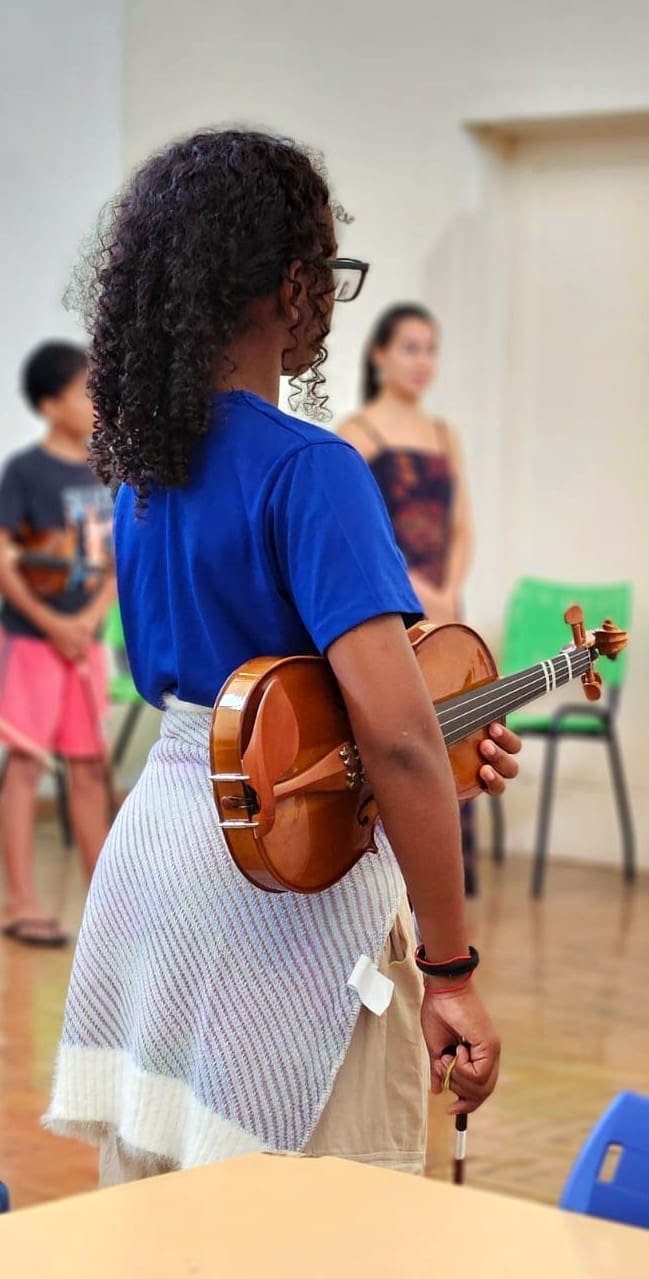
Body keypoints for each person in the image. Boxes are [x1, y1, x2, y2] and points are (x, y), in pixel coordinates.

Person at [46, 129, 521, 1181]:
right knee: (318, 1214)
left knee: (165, 1209)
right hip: (280, 890)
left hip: (160, 856)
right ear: (293, 283)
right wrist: (449, 969)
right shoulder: (313, 468)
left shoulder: (143, 468)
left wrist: (434, 753)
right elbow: (397, 742)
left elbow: (313, 718)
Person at [338, 306, 478, 893]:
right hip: (390, 613)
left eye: (430, 348)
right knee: (400, 739)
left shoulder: (445, 435)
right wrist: (420, 591)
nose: (423, 361)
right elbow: (359, 538)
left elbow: (462, 529)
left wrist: (448, 592)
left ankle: (446, 885)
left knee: (457, 734)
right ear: (380, 355)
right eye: (410, 348)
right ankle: (389, 883)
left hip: (445, 612)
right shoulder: (355, 434)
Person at [0, 342, 116, 947]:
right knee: (26, 765)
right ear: (50, 405)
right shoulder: (26, 472)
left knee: (90, 767)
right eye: (83, 391)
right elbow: (3, 559)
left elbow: (117, 562)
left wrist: (87, 622)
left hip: (85, 644)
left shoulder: (108, 469)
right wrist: (52, 624)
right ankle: (20, 903)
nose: (95, 401)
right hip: (34, 644)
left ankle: (105, 907)